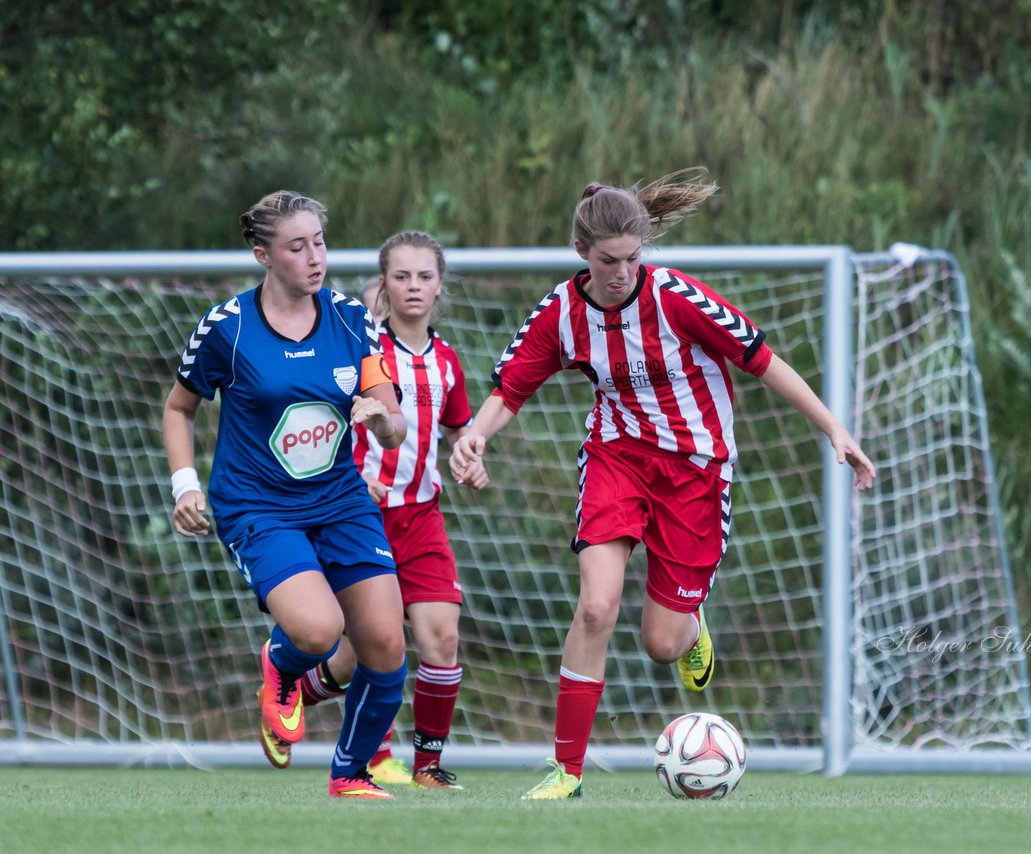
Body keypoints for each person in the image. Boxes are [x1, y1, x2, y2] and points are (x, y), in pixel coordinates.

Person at [449, 168, 877, 800]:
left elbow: (761, 359)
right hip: (615, 461)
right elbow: (511, 388)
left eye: (631, 258)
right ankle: (565, 771)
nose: (621, 272)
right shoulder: (562, 315)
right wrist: (475, 436)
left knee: (660, 644)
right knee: (596, 607)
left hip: (695, 474)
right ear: (581, 255)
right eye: (607, 261)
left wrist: (834, 430)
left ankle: (689, 626)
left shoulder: (677, 298)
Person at [162, 190, 410, 800]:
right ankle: (281, 664)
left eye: (319, 242)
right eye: (296, 246)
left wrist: (379, 421)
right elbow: (179, 409)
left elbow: (395, 419)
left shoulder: (352, 318)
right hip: (258, 508)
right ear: (263, 256)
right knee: (320, 632)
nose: (314, 257)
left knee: (384, 644)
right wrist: (185, 485)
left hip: (341, 501)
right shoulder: (229, 328)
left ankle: (349, 776)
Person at [258, 231, 489, 791]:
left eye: (425, 277)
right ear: (383, 283)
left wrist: (470, 456)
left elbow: (459, 429)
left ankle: (427, 765)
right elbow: (318, 415)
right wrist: (354, 468)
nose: (414, 287)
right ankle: (299, 692)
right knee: (361, 651)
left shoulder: (449, 362)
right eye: (402, 276)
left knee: (441, 638)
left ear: (440, 286)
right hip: (360, 513)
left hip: (423, 516)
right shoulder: (358, 347)